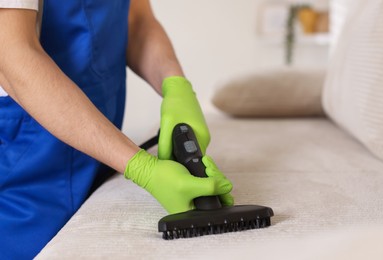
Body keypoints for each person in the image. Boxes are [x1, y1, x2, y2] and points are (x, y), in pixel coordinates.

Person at [0, 0, 234, 258]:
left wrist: (176, 86)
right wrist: (140, 167)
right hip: (24, 173)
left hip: (99, 157)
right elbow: (12, 55)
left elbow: (136, 21)